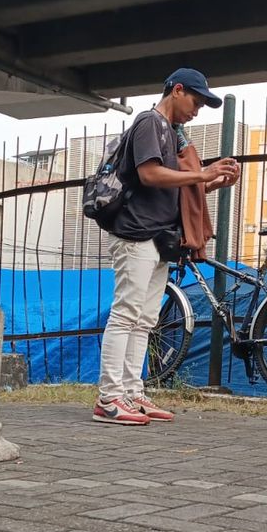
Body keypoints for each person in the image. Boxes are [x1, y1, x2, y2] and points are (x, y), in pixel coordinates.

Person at [94, 68, 240, 425]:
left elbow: (173, 187)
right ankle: (108, 398)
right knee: (127, 314)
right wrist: (202, 173)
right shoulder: (149, 122)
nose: (197, 110)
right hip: (135, 232)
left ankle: (132, 393)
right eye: (195, 100)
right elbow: (150, 174)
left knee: (144, 320)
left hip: (158, 236)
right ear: (176, 90)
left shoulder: (173, 135)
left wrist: (211, 183)